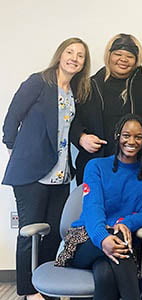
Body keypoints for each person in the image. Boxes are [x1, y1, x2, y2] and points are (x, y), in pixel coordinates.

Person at [2, 38, 91, 300]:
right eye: (70, 52)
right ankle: (29, 291)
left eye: (81, 56)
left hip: (62, 175)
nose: (74, 58)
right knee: (30, 233)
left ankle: (47, 288)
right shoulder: (39, 82)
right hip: (32, 175)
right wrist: (13, 148)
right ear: (59, 55)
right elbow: (12, 117)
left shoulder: (76, 91)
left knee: (54, 234)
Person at [56, 114, 142, 300]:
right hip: (87, 238)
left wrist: (124, 223)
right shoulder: (96, 166)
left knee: (104, 273)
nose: (132, 141)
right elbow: (92, 208)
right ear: (117, 136)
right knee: (116, 237)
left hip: (123, 240)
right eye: (126, 135)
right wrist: (103, 237)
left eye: (138, 137)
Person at [70, 33, 142, 184]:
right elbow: (69, 118)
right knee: (95, 207)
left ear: (136, 60)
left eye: (129, 56)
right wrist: (80, 138)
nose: (123, 59)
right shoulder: (87, 86)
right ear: (109, 56)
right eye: (118, 54)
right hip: (97, 167)